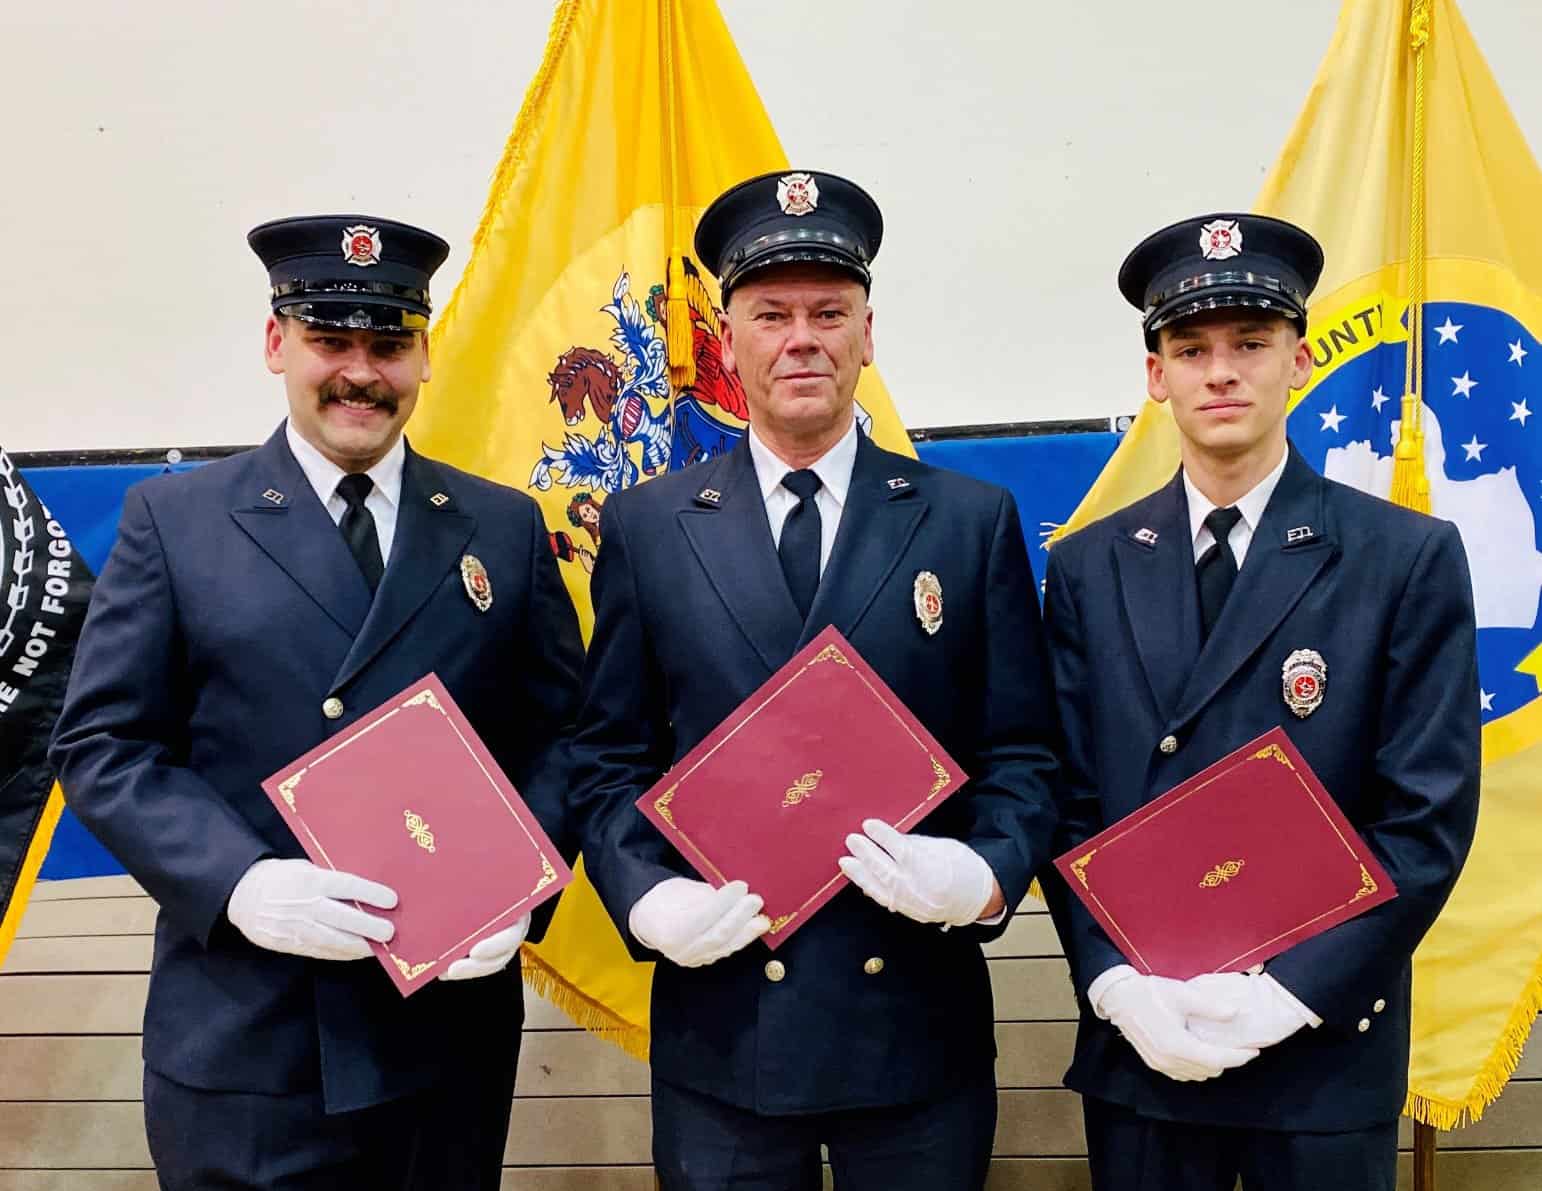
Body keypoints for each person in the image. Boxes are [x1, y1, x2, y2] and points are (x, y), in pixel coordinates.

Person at [49, 214, 585, 1190]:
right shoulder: (176, 522)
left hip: (443, 1038)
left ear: (424, 354)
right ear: (274, 344)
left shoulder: (501, 528)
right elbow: (103, 745)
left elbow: (559, 735)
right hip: (251, 1037)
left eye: (388, 345)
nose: (360, 373)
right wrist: (238, 883)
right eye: (329, 341)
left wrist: (527, 880)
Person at [569, 170, 1060, 1191]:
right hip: (726, 1028)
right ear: (730, 338)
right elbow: (609, 754)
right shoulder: (653, 528)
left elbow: (1021, 749)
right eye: (772, 314)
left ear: (867, 334)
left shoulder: (966, 521)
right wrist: (645, 896)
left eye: (829, 313)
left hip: (914, 1028)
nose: (803, 338)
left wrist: (984, 875)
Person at [1041, 212, 1481, 1191]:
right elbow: (1065, 800)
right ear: (1155, 375)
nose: (1221, 371)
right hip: (1146, 1048)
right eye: (1191, 348)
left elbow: (1426, 818)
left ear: (1300, 356)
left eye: (1249, 342)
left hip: (1321, 1054)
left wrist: (1292, 994)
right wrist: (1113, 981)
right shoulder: (1087, 567)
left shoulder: (1401, 559)